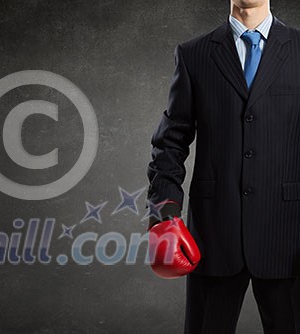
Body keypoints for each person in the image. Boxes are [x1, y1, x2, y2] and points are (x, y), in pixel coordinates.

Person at [146, 0, 300, 333]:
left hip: (288, 235)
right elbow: (170, 142)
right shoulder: (194, 54)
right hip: (213, 235)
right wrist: (165, 215)